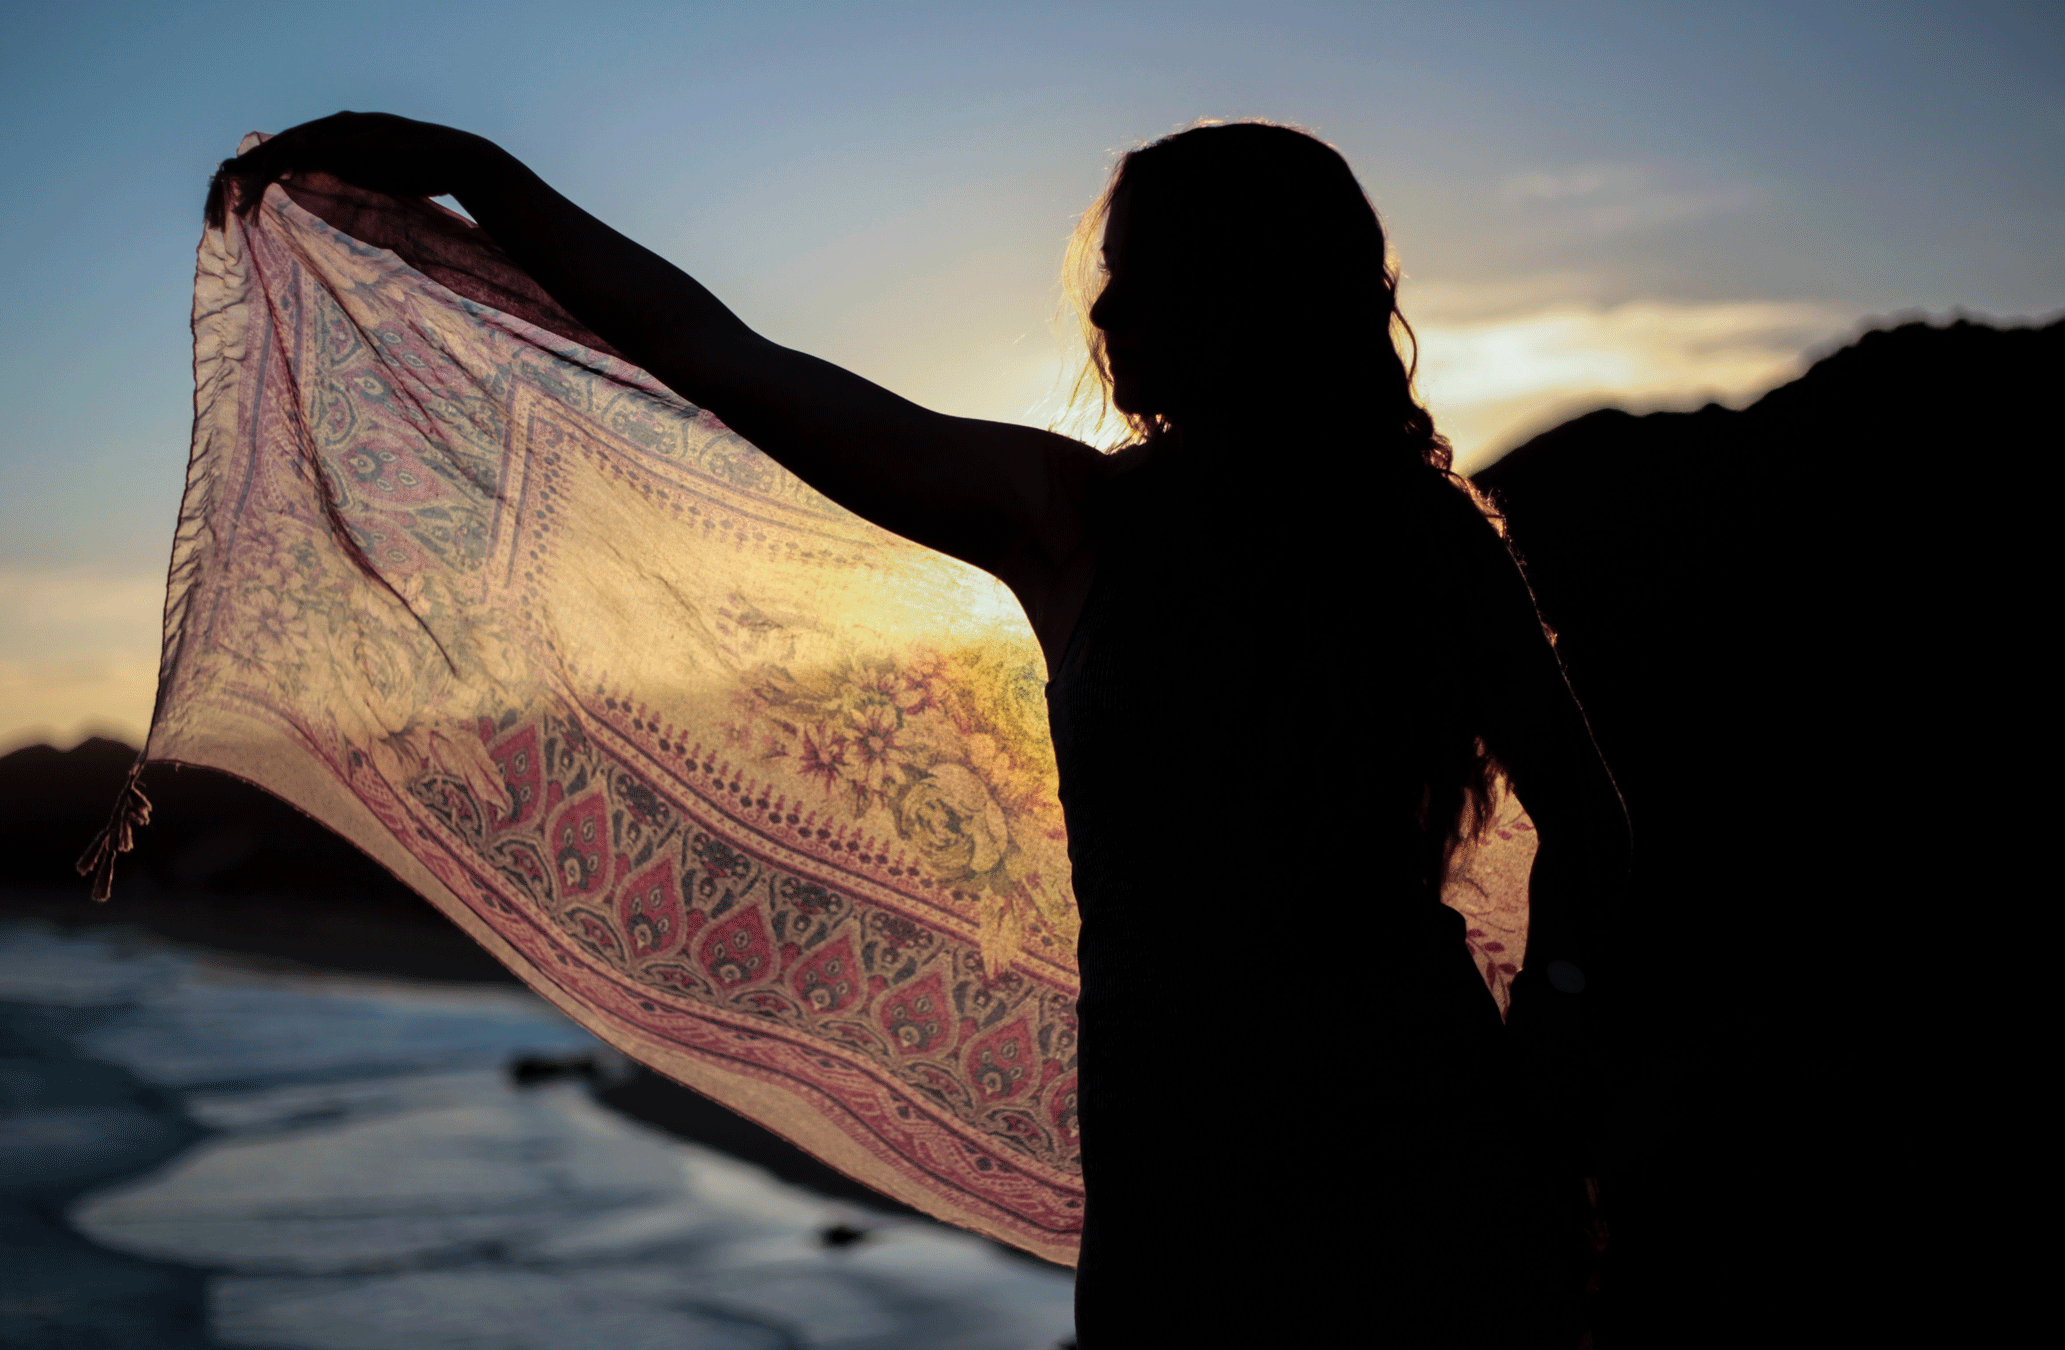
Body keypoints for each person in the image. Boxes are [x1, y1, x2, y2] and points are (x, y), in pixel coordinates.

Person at [217, 113, 1631, 1348]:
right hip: (1197, 1181)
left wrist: (1554, 1093)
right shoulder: (1094, 516)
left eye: (1144, 269)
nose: (1108, 310)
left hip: (1419, 1170)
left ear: (1247, 287)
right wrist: (475, 174)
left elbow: (1597, 838)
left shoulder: (1388, 537)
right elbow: (727, 364)